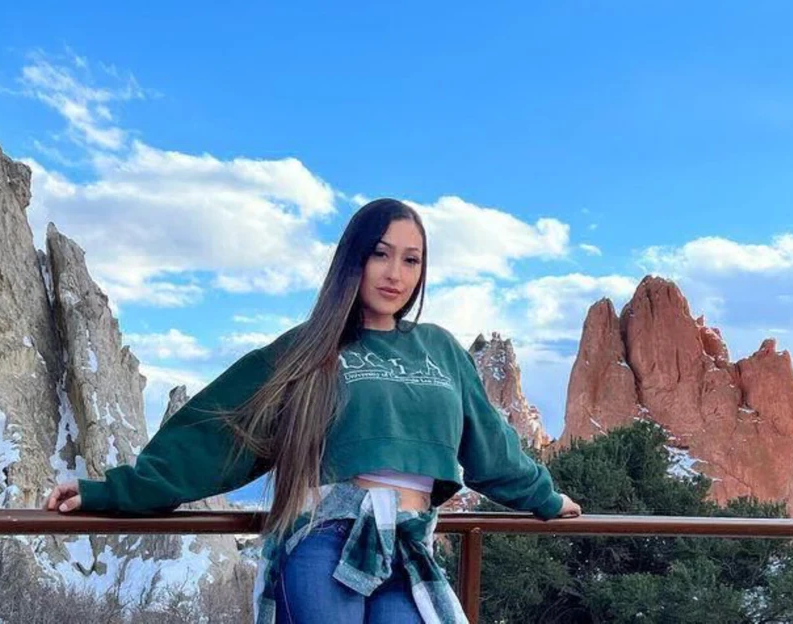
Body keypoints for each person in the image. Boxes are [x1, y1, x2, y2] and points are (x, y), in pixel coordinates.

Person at [46, 198, 581, 623]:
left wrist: (545, 497)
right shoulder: (310, 349)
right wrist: (113, 490)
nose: (395, 273)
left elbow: (489, 446)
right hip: (326, 541)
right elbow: (214, 432)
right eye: (380, 254)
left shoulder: (440, 349)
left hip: (409, 547)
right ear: (354, 259)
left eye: (411, 259)